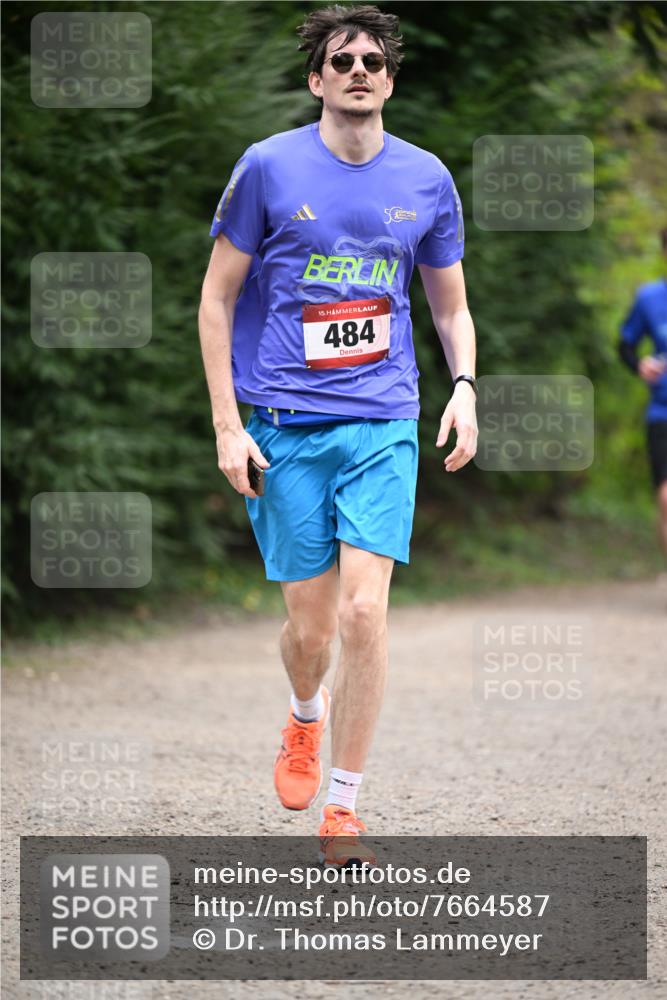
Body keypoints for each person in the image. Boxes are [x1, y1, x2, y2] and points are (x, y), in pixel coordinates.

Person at [198, 4, 477, 865]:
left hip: (384, 420)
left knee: (364, 613)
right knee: (310, 633)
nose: (359, 69)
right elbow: (214, 300)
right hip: (283, 426)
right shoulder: (267, 169)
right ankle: (303, 716)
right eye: (341, 59)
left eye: (372, 60)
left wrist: (464, 387)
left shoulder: (426, 178)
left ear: (389, 79)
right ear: (318, 79)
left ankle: (344, 808)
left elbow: (450, 304)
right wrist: (226, 427)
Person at [619, 228, 667, 560]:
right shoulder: (650, 298)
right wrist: (641, 365)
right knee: (666, 499)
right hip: (662, 413)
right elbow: (625, 345)